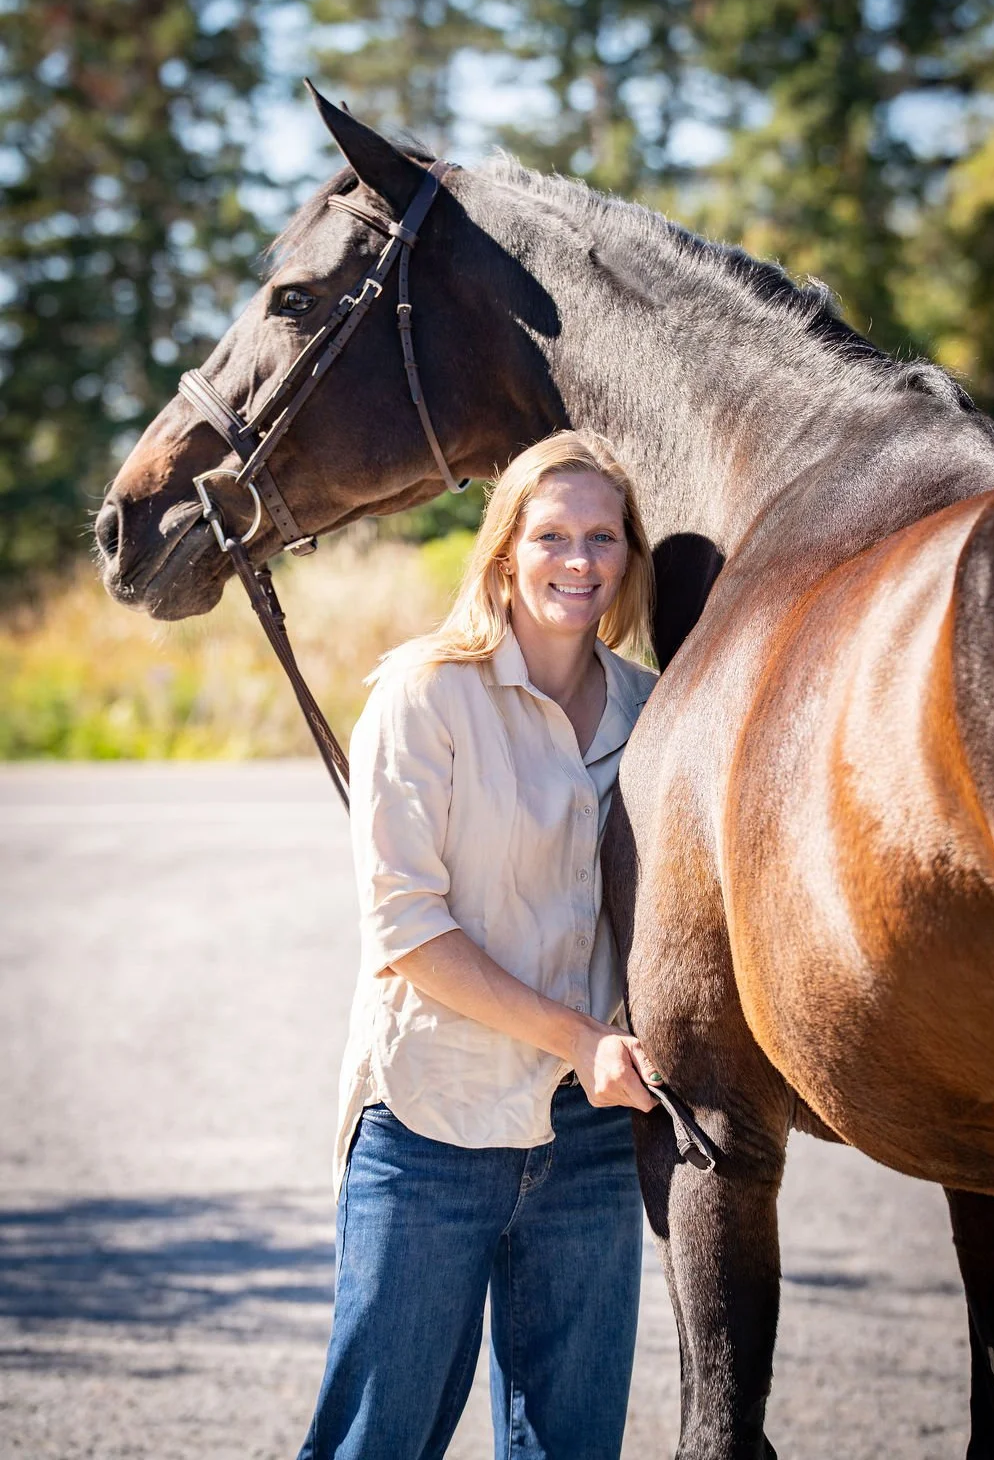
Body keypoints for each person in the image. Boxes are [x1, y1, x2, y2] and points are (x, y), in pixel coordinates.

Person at [298, 431, 662, 1460]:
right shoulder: (424, 695)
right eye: (552, 535)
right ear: (504, 550)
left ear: (630, 556)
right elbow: (406, 930)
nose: (579, 562)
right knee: (380, 1441)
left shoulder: (653, 712)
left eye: (603, 536)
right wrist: (580, 1037)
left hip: (590, 1139)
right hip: (430, 1127)